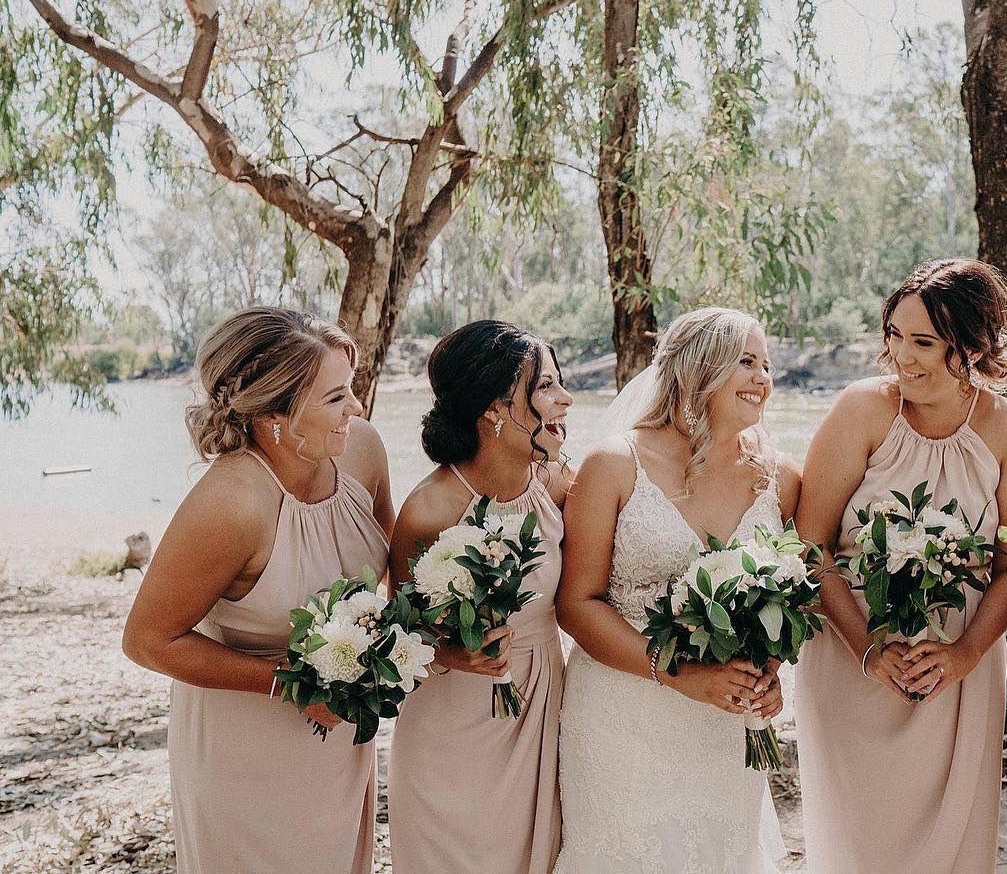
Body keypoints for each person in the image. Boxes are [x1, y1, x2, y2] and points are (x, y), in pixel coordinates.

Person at [793, 259, 1007, 873]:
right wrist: (866, 650)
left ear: (974, 346)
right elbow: (810, 545)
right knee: (860, 845)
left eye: (924, 342)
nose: (903, 356)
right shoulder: (862, 411)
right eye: (895, 336)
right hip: (852, 659)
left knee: (952, 847)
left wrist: (965, 657)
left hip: (960, 668)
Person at [122, 307, 392, 874]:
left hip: (339, 734)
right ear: (278, 411)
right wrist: (290, 686)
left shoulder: (362, 450)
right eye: (336, 398)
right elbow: (147, 640)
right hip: (245, 743)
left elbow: (394, 567)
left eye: (353, 390)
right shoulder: (231, 504)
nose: (357, 409)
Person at [554, 307, 798, 872]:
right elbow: (577, 605)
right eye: (746, 362)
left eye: (767, 364)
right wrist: (682, 675)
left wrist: (768, 675)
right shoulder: (615, 464)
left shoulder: (780, 476)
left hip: (724, 720)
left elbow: (793, 596)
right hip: (623, 714)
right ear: (699, 368)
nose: (764, 377)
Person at [387, 321, 573, 874]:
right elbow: (401, 633)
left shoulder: (560, 486)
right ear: (494, 408)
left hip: (542, 700)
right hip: (451, 724)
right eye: (544, 388)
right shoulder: (430, 509)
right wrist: (451, 653)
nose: (564, 400)